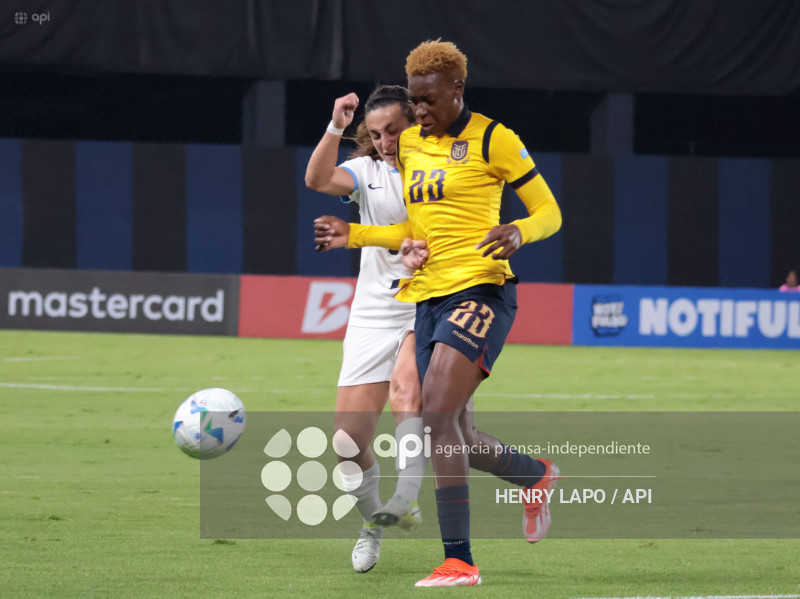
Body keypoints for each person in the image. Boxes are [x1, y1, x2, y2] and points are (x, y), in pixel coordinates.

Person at [314, 39, 563, 587]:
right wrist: (354, 234)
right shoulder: (414, 151)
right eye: (416, 103)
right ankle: (537, 477)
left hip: (481, 291)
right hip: (426, 298)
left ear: (457, 89)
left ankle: (459, 560)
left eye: (427, 102)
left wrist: (521, 230)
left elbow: (550, 210)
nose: (421, 114)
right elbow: (414, 231)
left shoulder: (495, 139)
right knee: (451, 434)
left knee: (432, 418)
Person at [304, 85, 428, 574]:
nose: (384, 140)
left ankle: (405, 498)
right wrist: (337, 124)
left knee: (406, 394)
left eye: (394, 130)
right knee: (346, 443)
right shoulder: (367, 172)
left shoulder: (440, 173)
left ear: (414, 124)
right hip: (373, 312)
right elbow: (317, 179)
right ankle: (371, 524)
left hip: (426, 305)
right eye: (375, 133)